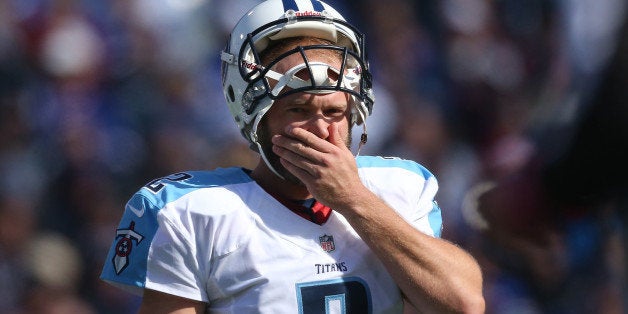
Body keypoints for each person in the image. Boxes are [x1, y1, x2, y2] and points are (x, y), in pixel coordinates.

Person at [100, 0, 485, 313]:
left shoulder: (398, 189)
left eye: (334, 112)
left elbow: (463, 304)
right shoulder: (189, 212)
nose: (322, 130)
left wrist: (354, 199)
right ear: (255, 118)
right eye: (299, 110)